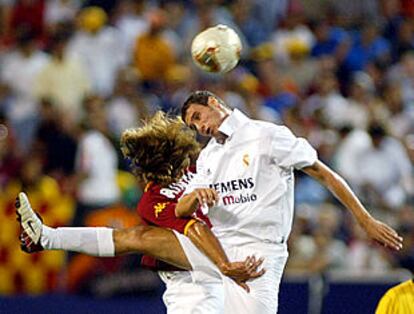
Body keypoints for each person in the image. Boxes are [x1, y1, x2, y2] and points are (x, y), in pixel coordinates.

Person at [178, 90, 404, 313]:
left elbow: (325, 174)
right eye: (193, 126)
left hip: (258, 252)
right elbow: (181, 209)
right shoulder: (209, 155)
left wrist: (364, 219)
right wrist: (196, 196)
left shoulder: (266, 135)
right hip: (218, 253)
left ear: (213, 102)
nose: (200, 128)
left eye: (198, 116)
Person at [16, 111, 264, 313]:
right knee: (140, 237)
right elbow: (194, 228)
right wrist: (226, 265)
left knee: (137, 237)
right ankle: (45, 237)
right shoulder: (153, 199)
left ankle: (46, 237)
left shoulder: (199, 169)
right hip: (193, 277)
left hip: (216, 261)